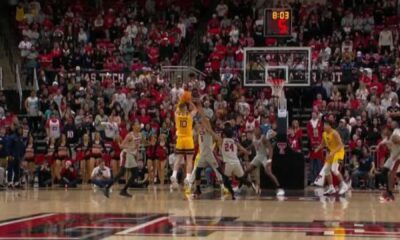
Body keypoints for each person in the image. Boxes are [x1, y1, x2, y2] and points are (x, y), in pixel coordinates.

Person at [209, 122, 252, 200]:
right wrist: (248, 152)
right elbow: (242, 149)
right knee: (241, 178)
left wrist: (207, 127)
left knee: (225, 179)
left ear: (224, 134)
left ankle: (232, 193)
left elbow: (212, 133)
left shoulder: (221, 140)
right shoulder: (235, 141)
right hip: (236, 162)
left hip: (229, 163)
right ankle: (249, 184)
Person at [243, 127, 285, 196]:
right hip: (257, 156)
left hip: (264, 156)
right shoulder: (254, 137)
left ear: (260, 132)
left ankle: (279, 188)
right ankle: (244, 185)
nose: (255, 131)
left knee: (268, 172)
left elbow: (270, 149)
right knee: (247, 170)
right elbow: (252, 145)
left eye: (257, 130)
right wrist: (244, 150)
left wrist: (270, 160)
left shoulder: (263, 138)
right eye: (255, 130)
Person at [104, 123, 141, 198]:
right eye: (137, 124)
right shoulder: (129, 135)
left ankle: (122, 190)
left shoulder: (140, 135)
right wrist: (130, 146)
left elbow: (137, 148)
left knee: (133, 174)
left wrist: (137, 157)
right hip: (126, 154)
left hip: (131, 155)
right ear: (133, 126)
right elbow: (121, 146)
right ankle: (108, 188)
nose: (139, 126)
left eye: (139, 124)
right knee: (123, 173)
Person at [190, 117, 224, 197]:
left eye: (205, 121)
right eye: (202, 121)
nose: (202, 122)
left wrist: (218, 138)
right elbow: (195, 139)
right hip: (202, 155)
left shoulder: (209, 130)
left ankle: (223, 187)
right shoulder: (199, 130)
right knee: (197, 172)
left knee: (217, 171)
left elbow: (215, 137)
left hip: (209, 154)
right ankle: (198, 189)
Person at [170, 96, 198, 190]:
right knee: (189, 160)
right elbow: (195, 109)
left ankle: (174, 175)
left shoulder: (177, 115)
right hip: (188, 139)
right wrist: (189, 101)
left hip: (180, 139)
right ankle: (188, 177)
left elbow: (177, 109)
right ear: (186, 108)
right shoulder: (190, 115)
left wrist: (181, 101)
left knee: (178, 159)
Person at [315, 120, 349, 195]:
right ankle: (331, 188)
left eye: (325, 125)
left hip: (339, 152)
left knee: (334, 169)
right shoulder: (324, 134)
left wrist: (332, 152)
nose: (324, 127)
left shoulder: (334, 133)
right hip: (331, 153)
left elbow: (340, 145)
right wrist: (317, 149)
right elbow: (322, 144)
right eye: (323, 125)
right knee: (326, 170)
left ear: (330, 126)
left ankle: (344, 185)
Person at [377, 123, 400, 202]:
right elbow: (383, 142)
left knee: (392, 174)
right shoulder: (388, 137)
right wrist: (380, 145)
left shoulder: (395, 135)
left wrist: (396, 155)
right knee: (384, 171)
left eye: (385, 130)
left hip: (397, 156)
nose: (383, 131)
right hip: (392, 156)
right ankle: (389, 192)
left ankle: (389, 193)